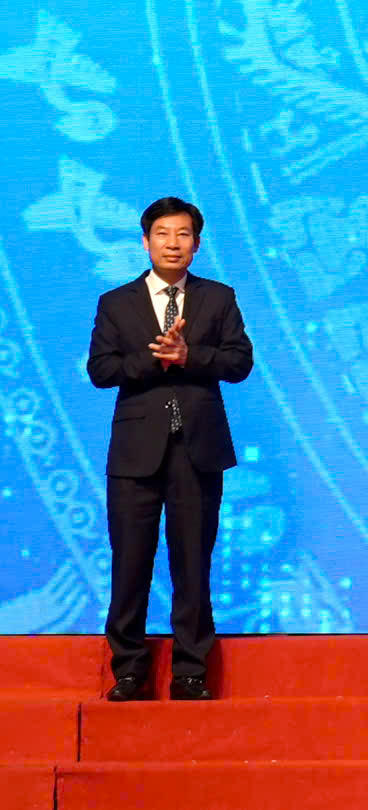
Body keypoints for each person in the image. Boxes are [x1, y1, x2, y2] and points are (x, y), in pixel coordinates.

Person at [86, 196, 254, 701]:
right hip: (135, 453)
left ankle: (190, 671)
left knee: (193, 563)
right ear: (146, 242)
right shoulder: (116, 302)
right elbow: (101, 370)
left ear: (197, 244)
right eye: (163, 234)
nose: (173, 244)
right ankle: (129, 671)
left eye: (183, 235)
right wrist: (154, 360)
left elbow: (240, 362)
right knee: (130, 563)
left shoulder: (218, 297)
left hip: (198, 449)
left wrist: (189, 356)